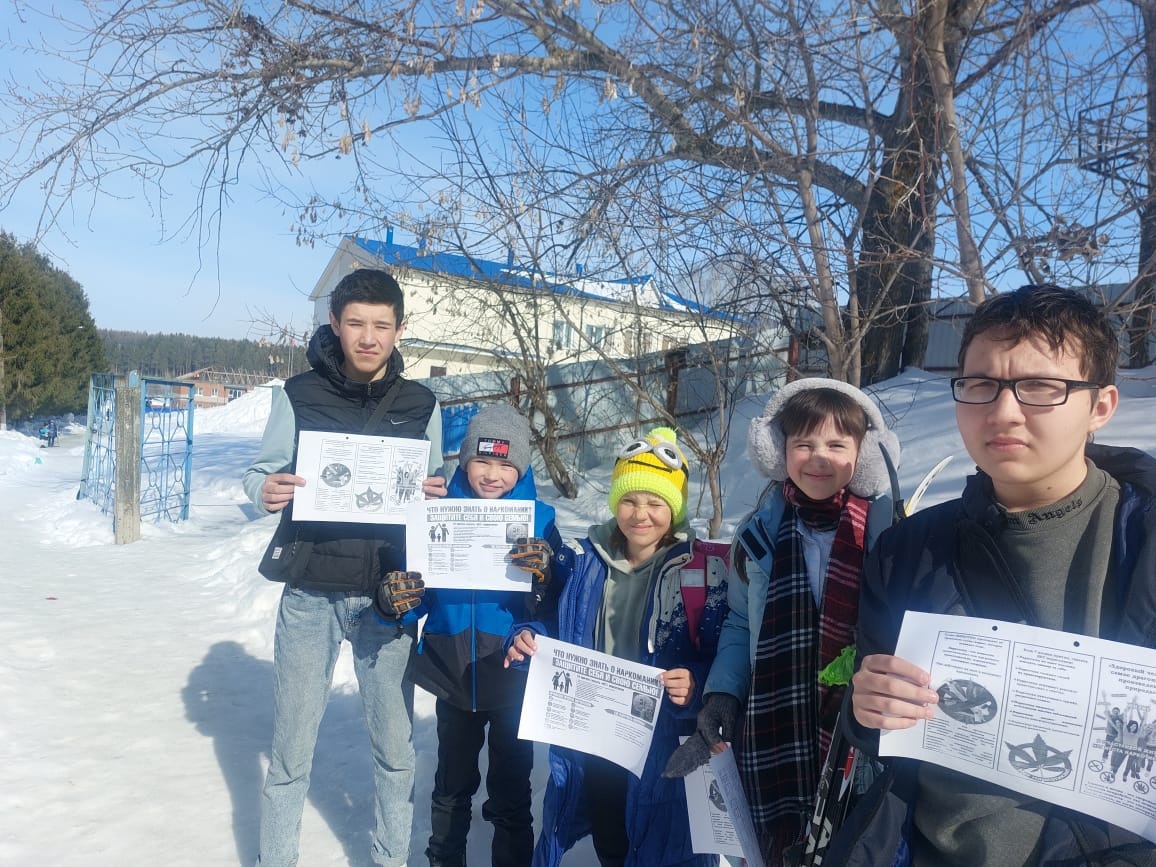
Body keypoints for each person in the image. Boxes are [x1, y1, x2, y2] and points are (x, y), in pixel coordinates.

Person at [833, 284, 1156, 865]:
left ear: (1100, 406)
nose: (1003, 411)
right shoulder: (907, 551)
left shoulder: (1143, 540)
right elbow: (881, 728)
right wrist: (869, 707)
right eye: (981, 385)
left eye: (1041, 387)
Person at [242, 268, 446, 867]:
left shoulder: (422, 404)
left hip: (389, 597)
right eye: (356, 323)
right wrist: (264, 490)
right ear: (335, 323)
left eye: (381, 325)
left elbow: (435, 484)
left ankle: (390, 859)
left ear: (399, 329)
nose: (368, 337)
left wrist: (435, 495)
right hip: (311, 594)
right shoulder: (297, 394)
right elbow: (260, 472)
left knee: (395, 752)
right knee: (290, 754)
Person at [663, 378, 901, 864]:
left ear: (865, 455)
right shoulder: (758, 533)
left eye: (837, 445)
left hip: (858, 735)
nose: (819, 458)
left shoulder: (889, 533)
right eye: (804, 444)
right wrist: (723, 695)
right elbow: (738, 622)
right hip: (775, 726)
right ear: (779, 451)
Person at [505, 427, 731, 867]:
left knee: (666, 848)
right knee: (612, 838)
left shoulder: (702, 571)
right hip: (597, 735)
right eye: (629, 500)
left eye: (656, 502)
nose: (640, 514)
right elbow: (558, 624)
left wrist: (697, 682)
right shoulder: (585, 562)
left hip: (665, 744)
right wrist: (527, 636)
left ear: (676, 508)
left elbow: (728, 655)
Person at [399, 404, 563, 867]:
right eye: (482, 461)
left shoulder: (541, 521)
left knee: (511, 791)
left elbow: (558, 604)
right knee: (451, 787)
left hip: (513, 674)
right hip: (451, 674)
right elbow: (419, 595)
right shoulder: (435, 514)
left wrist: (547, 573)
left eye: (506, 465)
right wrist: (401, 598)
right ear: (464, 459)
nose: (492, 475)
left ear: (522, 468)